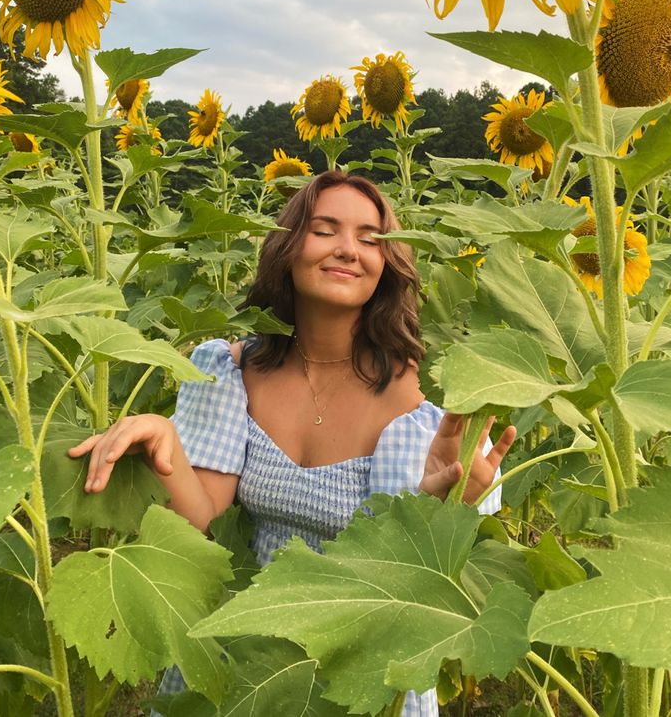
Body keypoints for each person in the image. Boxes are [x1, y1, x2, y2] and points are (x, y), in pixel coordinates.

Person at [69, 171, 516, 716]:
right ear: (288, 245)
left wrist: (451, 505)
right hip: (247, 647)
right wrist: (167, 444)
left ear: (388, 262)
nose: (349, 249)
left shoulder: (433, 397)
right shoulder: (233, 369)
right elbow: (206, 519)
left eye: (370, 238)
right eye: (325, 230)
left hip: (367, 671)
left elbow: (442, 584)